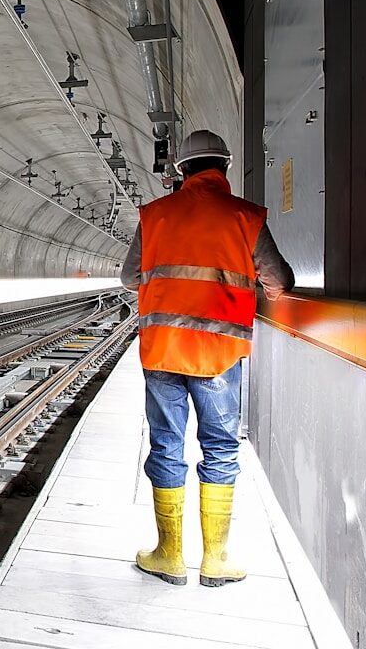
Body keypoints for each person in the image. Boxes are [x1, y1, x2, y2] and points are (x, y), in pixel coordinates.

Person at [120, 129, 294, 587]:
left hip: (163, 350)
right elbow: (278, 281)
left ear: (181, 170)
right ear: (225, 166)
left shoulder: (154, 215)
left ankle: (168, 555)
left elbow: (129, 277)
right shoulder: (245, 217)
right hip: (218, 353)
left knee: (166, 444)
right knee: (219, 446)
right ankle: (215, 559)